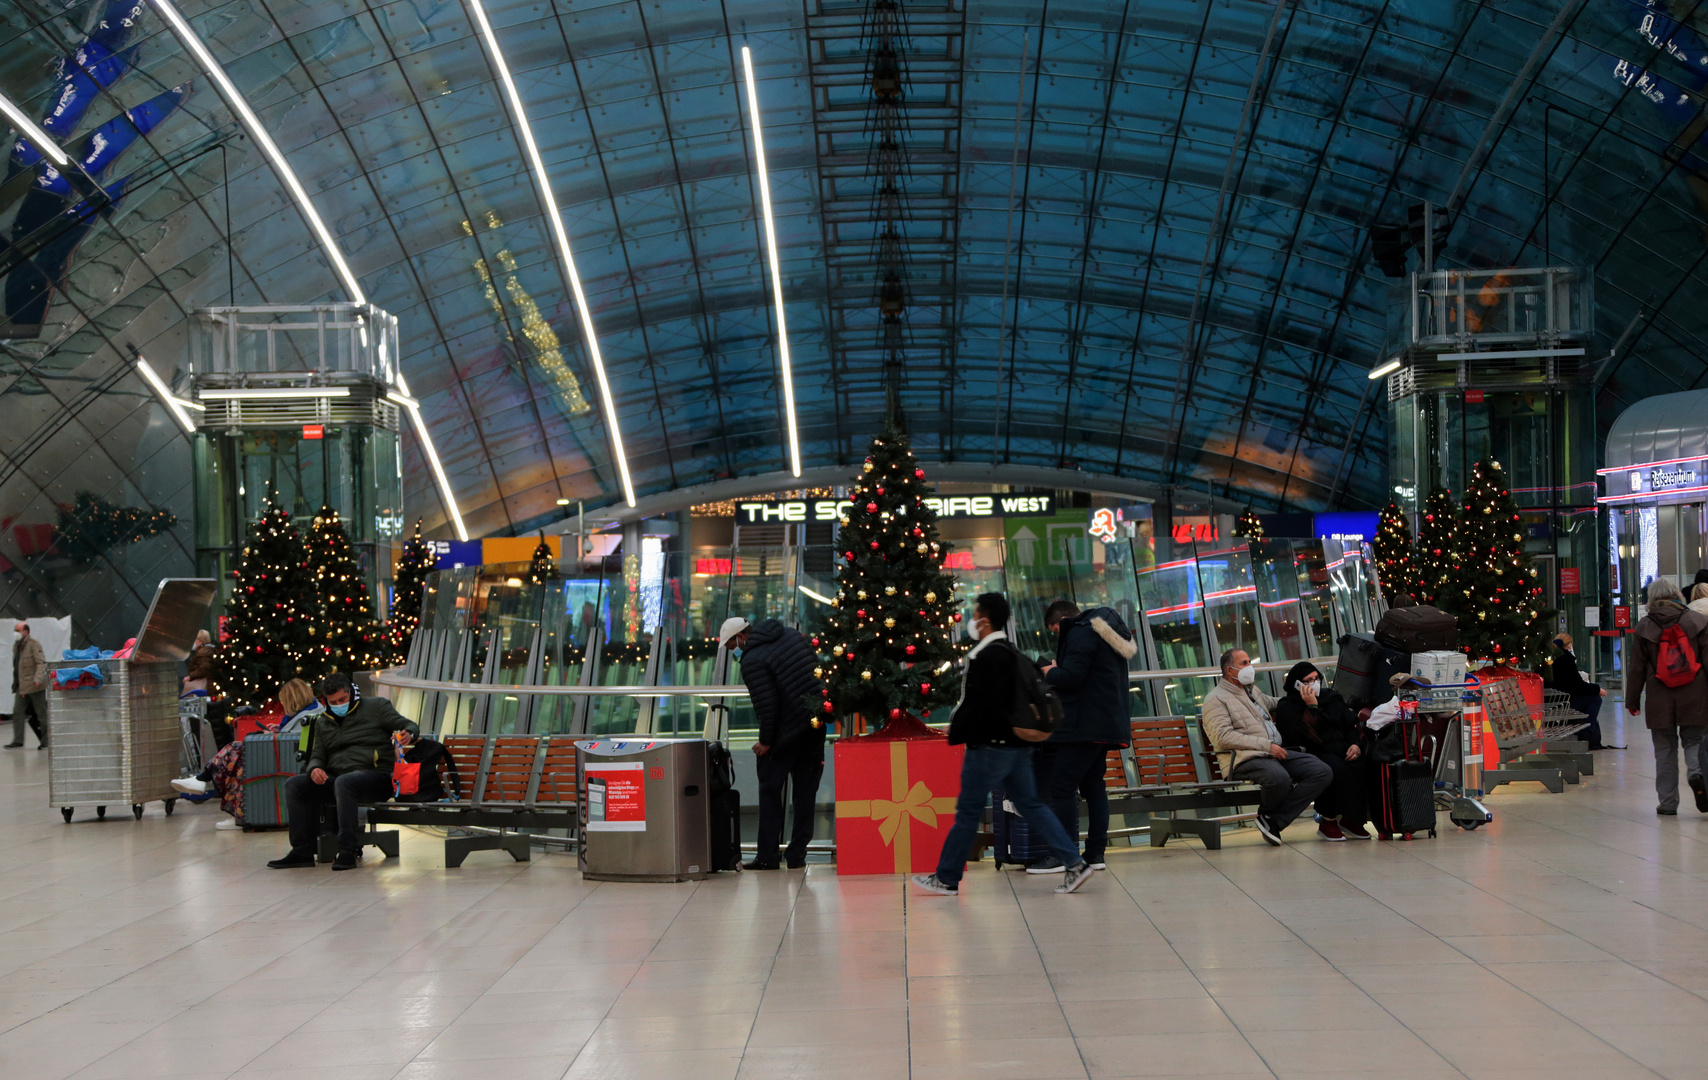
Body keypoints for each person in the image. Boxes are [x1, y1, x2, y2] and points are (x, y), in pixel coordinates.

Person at [913, 593, 1094, 896]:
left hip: (989, 747)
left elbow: (980, 706)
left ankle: (946, 878)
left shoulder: (987, 656)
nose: (972, 620)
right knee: (1032, 805)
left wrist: (958, 730)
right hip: (1017, 746)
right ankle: (1075, 864)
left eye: (975, 614)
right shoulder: (1011, 652)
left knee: (968, 811)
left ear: (985, 621)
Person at [1026, 600, 1136, 874]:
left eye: (1054, 630)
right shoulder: (1104, 630)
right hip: (1103, 723)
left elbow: (1073, 677)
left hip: (1083, 725)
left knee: (1062, 786)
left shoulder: (1079, 632)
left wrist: (1050, 671)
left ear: (1061, 620)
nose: (1056, 635)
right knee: (1093, 787)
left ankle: (1065, 855)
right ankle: (1095, 854)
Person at [267, 673, 416, 869]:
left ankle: (348, 850)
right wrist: (315, 768)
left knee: (345, 781)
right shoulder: (323, 721)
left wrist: (410, 733)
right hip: (339, 780)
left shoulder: (377, 707)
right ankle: (301, 850)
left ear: (351, 694)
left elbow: (408, 725)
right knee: (295, 785)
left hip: (376, 777)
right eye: (333, 702)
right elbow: (317, 754)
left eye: (343, 699)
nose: (339, 704)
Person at [721, 615, 823, 870]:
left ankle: (767, 856)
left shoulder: (752, 660)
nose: (734, 650)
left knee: (769, 790)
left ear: (741, 636)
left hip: (786, 733)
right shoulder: (791, 635)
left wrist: (766, 742)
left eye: (732, 645)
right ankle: (797, 855)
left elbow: (767, 706)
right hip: (814, 723)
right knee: (805, 792)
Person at [1203, 648, 1331, 845]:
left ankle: (1273, 820)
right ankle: (1271, 818)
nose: (1250, 667)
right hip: (1244, 758)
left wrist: (1304, 698)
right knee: (1279, 778)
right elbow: (1222, 737)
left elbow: (1274, 703)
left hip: (1273, 753)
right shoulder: (1216, 699)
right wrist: (1266, 746)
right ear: (1229, 670)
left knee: (1320, 771)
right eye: (1244, 663)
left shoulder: (1251, 690)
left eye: (1249, 662)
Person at [174, 679, 323, 830]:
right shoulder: (311, 711)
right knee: (239, 756)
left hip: (289, 763)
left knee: (239, 752)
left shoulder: (307, 717)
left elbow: (296, 741)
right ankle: (210, 786)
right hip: (286, 760)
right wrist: (279, 730)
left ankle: (205, 780)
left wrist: (272, 735)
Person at [1627, 578, 1708, 816]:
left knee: (1664, 750)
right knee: (1694, 742)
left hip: (1659, 696)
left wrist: (1632, 700)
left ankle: (1668, 803)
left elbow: (1636, 668)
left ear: (1652, 598)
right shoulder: (1699, 622)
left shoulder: (1644, 626)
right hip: (1695, 694)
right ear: (1678, 595)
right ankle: (1697, 774)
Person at [1274, 662, 1370, 840]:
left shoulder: (1332, 698)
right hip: (1312, 751)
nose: (1314, 683)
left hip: (1342, 747)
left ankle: (1353, 819)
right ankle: (1329, 820)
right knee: (1333, 768)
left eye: (1316, 678)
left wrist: (1355, 744)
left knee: (1362, 763)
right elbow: (1304, 735)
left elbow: (1349, 725)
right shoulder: (1288, 705)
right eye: (1308, 680)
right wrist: (1312, 707)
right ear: (1297, 684)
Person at [1545, 633, 1611, 750]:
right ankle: (1587, 733)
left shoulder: (1548, 658)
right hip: (1564, 701)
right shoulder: (1566, 660)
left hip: (1552, 699)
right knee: (1595, 699)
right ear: (1569, 645)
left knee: (1589, 699)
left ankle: (1582, 729)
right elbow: (1577, 685)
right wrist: (1597, 689)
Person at [8, 621, 48, 750]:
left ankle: (46, 741)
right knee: (17, 712)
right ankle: (18, 740)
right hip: (22, 686)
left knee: (41, 714)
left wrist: (38, 678)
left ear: (26, 632)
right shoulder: (17, 646)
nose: (15, 633)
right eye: (15, 630)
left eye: (18, 630)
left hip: (35, 686)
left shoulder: (33, 645)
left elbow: (41, 663)